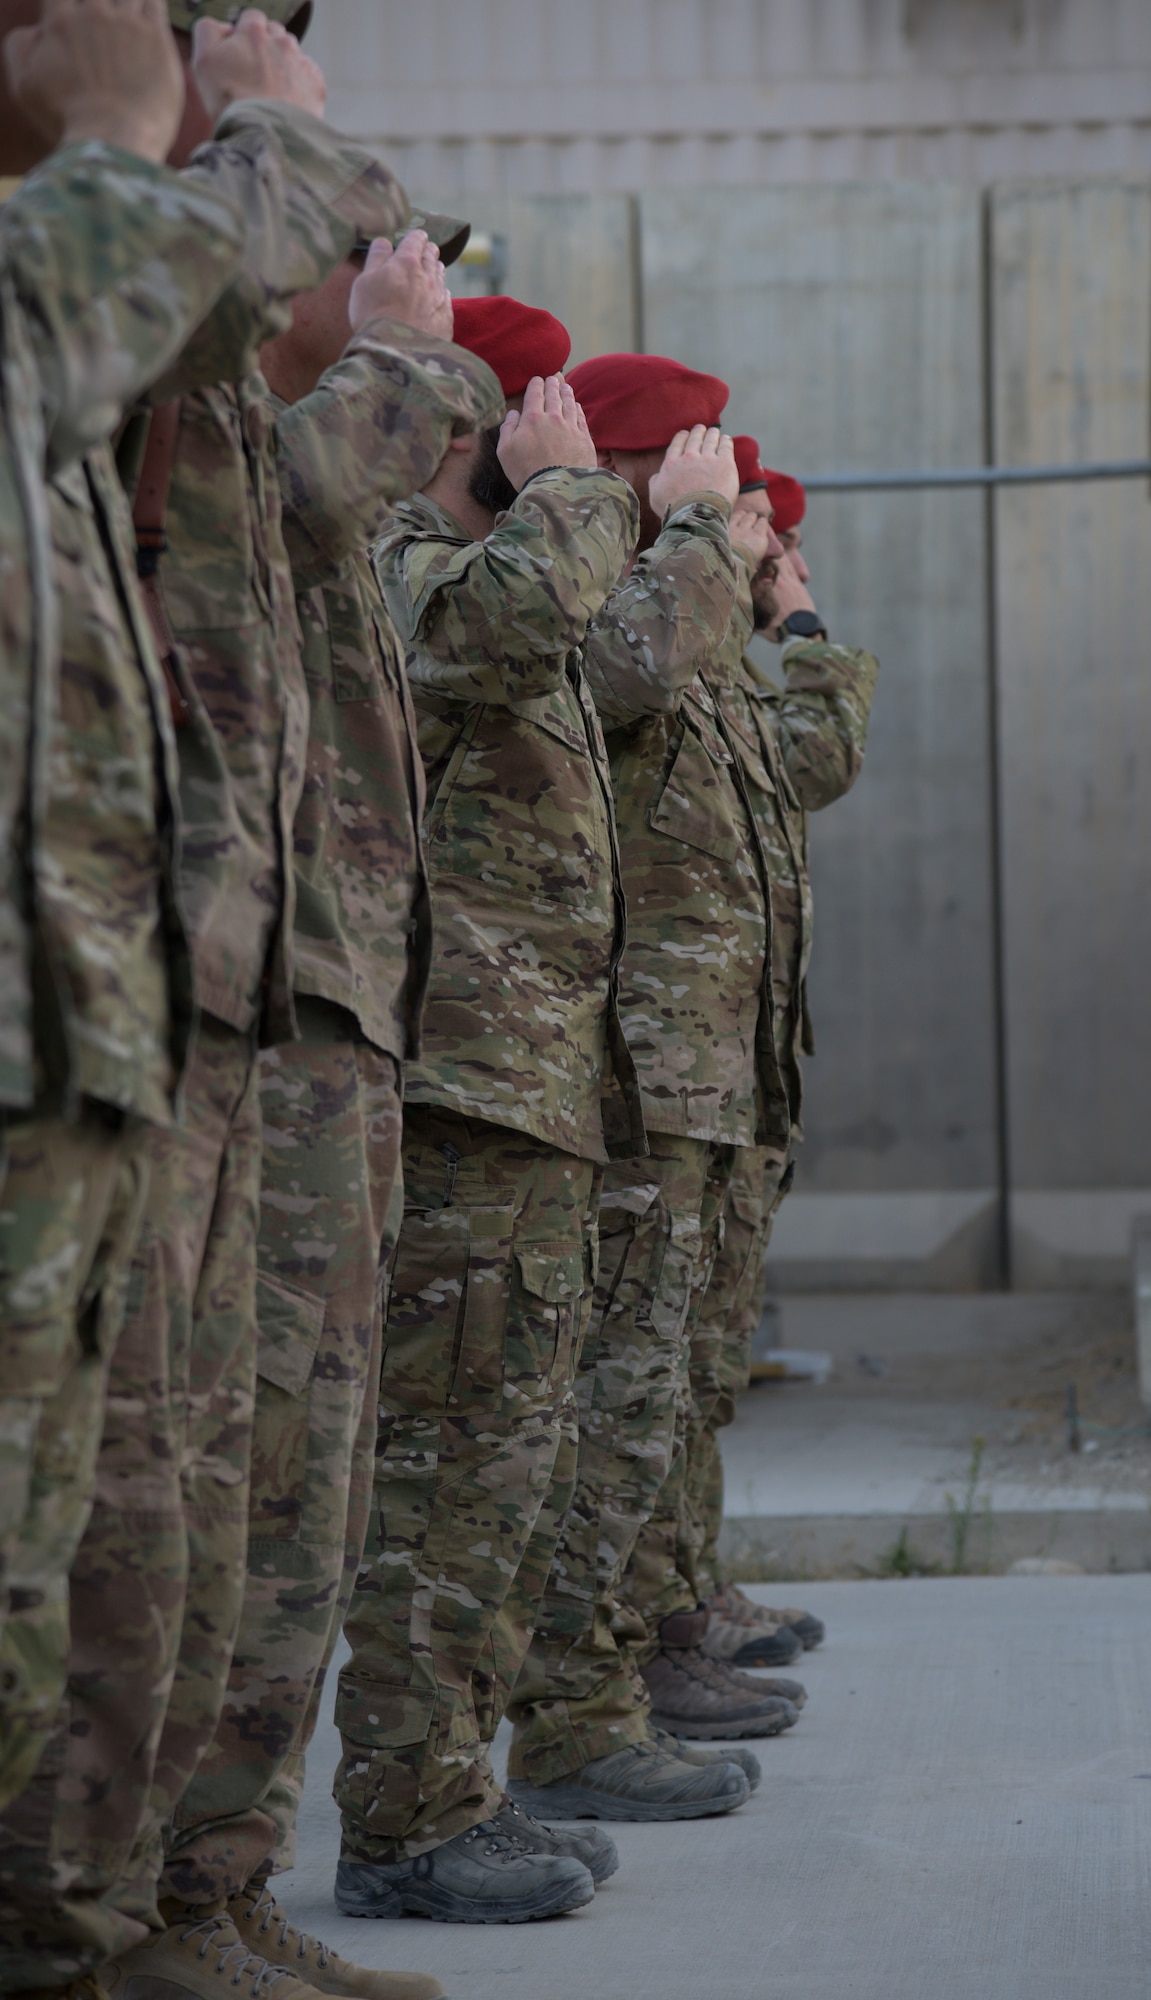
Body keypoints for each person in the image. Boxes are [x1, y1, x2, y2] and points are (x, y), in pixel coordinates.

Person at [0, 9, 422, 1997]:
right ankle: (99, 1921)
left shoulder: (193, 373)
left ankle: (187, 1898)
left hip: (211, 978)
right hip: (158, 990)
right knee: (135, 1490)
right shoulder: (90, 295)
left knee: (236, 1470)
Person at [150, 221, 502, 2000]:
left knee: (312, 1485)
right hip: (257, 1034)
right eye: (350, 244)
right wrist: (403, 351)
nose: (396, 276)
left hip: (337, 1030)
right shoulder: (220, 425)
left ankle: (215, 1894)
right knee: (249, 1465)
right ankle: (157, 1907)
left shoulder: (309, 464)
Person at [333, 296, 681, 1928]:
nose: (563, 445)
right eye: (534, 418)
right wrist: (574, 493)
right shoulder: (403, 555)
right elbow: (478, 635)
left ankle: (455, 1787)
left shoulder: (502, 571)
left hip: (528, 1092)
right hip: (459, 1090)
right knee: (446, 1465)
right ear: (476, 431)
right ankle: (403, 1816)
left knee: (505, 1462)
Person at [0, 0, 251, 1831]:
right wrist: (120, 140)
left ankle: (114, 1927)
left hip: (95, 1031)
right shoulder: (63, 292)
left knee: (95, 1546)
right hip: (90, 1035)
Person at [504, 352, 801, 1829]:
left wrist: (775, 604)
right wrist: (687, 544)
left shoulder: (682, 628)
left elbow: (810, 765)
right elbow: (615, 678)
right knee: (610, 1406)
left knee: (660, 1400)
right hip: (624, 1079)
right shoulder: (601, 618)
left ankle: (629, 1666)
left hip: (696, 1078)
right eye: (695, 478)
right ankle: (580, 1698)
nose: (736, 522)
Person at [633, 440, 879, 1689]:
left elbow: (813, 760)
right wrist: (768, 605)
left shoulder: (718, 672)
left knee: (702, 1364)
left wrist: (797, 618)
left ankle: (683, 1592)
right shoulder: (657, 658)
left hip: (731, 1070)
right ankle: (648, 1628)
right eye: (758, 540)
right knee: (651, 1376)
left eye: (773, 545)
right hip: (661, 1074)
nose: (773, 562)